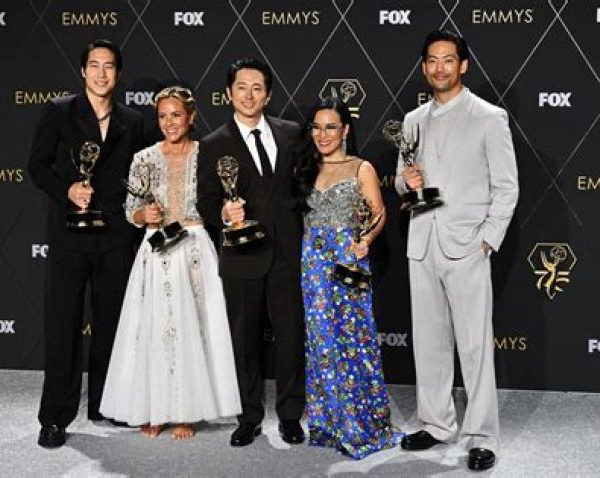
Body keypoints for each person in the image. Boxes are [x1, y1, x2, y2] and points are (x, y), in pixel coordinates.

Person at [394, 30, 519, 471]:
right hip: (422, 243)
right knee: (429, 343)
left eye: (449, 60)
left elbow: (506, 186)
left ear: (463, 65)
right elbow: (402, 181)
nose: (440, 68)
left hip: (467, 246)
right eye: (432, 60)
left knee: (475, 346)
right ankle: (436, 423)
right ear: (424, 67)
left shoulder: (489, 117)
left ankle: (482, 435)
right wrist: (404, 183)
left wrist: (487, 239)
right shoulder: (412, 120)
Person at [99, 86, 242, 439]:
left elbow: (220, 201)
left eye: (176, 115)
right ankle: (155, 409)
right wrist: (143, 215)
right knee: (154, 328)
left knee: (194, 328)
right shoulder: (143, 158)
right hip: (157, 249)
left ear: (190, 117)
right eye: (162, 116)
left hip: (194, 247)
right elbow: (130, 211)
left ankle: (186, 412)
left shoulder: (206, 154)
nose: (169, 122)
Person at [28, 39, 145, 448]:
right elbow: (37, 166)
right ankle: (54, 417)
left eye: (108, 66)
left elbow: (141, 176)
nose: (100, 73)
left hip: (115, 237)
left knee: (112, 326)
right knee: (62, 327)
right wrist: (68, 191)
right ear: (82, 71)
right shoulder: (59, 111)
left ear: (118, 73)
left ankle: (105, 404)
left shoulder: (133, 121)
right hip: (69, 236)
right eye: (93, 65)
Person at [196, 57, 305, 447]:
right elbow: (205, 201)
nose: (249, 95)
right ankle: (249, 416)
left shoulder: (292, 133)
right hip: (242, 256)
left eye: (257, 88)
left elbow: (304, 188)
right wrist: (224, 214)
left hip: (287, 253)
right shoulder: (213, 144)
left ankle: (290, 415)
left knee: (291, 337)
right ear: (229, 93)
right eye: (241, 87)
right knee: (244, 342)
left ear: (268, 94)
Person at [297, 97, 403, 459]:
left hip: (348, 262)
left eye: (331, 127)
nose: (323, 134)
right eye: (317, 127)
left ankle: (362, 423)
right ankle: (328, 423)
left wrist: (365, 241)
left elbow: (378, 213)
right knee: (322, 342)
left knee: (354, 339)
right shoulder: (305, 168)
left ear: (345, 130)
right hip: (313, 266)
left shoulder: (362, 167)